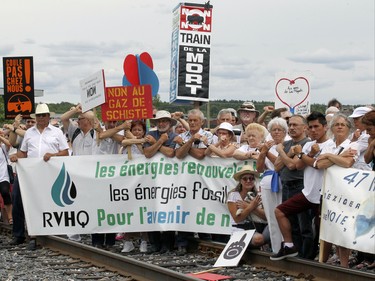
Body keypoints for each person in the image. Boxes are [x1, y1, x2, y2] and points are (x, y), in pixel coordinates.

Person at [271, 112, 335, 261]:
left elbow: (318, 165)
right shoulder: (306, 145)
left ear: (325, 127)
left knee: (312, 227)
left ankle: (312, 257)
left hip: (321, 192)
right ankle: (292, 248)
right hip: (308, 192)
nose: (313, 130)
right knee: (283, 214)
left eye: (316, 127)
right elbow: (298, 165)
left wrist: (303, 155)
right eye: (311, 127)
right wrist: (306, 155)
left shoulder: (330, 144)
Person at [10, 103, 69, 250]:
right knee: (17, 197)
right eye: (38, 115)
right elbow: (23, 152)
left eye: (43, 115)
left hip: (48, 172)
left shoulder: (57, 132)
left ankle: (43, 232)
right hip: (29, 172)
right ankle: (19, 234)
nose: (41, 118)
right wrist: (16, 156)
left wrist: (53, 155)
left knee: (45, 201)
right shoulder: (29, 133)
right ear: (35, 117)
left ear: (48, 116)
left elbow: (65, 152)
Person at [314, 113, 359, 267]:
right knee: (328, 227)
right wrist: (339, 156)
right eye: (336, 124)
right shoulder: (328, 144)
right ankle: (329, 260)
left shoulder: (353, 145)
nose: (339, 127)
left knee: (343, 228)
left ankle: (344, 264)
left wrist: (328, 156)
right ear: (332, 128)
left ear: (348, 128)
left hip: (345, 192)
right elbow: (319, 165)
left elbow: (347, 163)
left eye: (343, 124)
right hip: (327, 191)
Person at [273, 115, 313, 259]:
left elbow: (292, 165)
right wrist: (287, 154)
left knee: (304, 225)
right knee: (291, 222)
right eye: (290, 125)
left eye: (295, 125)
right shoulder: (287, 144)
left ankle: (307, 256)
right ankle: (295, 252)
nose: (291, 128)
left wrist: (282, 152)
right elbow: (277, 167)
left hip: (300, 185)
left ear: (304, 127)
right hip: (287, 186)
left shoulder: (306, 143)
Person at [143, 110, 178, 253]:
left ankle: (168, 244)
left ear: (169, 123)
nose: (162, 123)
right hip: (152, 180)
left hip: (170, 180)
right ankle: (155, 243)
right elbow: (148, 153)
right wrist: (161, 141)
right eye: (159, 121)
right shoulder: (151, 135)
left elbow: (171, 153)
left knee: (168, 211)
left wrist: (157, 144)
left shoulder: (175, 136)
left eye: (164, 121)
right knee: (152, 210)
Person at [256, 117, 288, 254]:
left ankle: (286, 245)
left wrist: (267, 152)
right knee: (271, 216)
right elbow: (259, 168)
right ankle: (276, 248)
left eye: (279, 130)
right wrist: (262, 152)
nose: (276, 133)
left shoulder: (287, 145)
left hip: (283, 181)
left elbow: (278, 164)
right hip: (268, 182)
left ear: (285, 132)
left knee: (283, 214)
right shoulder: (267, 145)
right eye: (273, 130)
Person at [227, 165, 269, 248]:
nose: (248, 181)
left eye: (251, 178)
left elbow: (266, 217)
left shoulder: (258, 195)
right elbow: (237, 219)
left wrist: (248, 206)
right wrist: (251, 206)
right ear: (240, 181)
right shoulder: (233, 195)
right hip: (240, 229)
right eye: (245, 178)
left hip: (258, 228)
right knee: (258, 239)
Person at [0, 131, 13, 226]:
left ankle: (10, 217)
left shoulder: (3, 148)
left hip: (3, 176)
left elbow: (9, 143)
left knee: (5, 193)